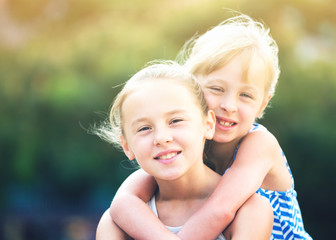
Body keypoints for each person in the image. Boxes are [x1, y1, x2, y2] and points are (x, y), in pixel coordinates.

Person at [107, 14, 312, 240]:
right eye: (216, 89)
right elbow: (123, 203)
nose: (229, 105)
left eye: (245, 95)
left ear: (263, 103)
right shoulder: (184, 146)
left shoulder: (259, 143)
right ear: (191, 87)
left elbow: (220, 210)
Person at [95, 61, 274, 239]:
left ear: (208, 124)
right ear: (127, 146)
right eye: (144, 128)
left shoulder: (250, 212)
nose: (161, 138)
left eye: (175, 121)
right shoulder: (116, 225)